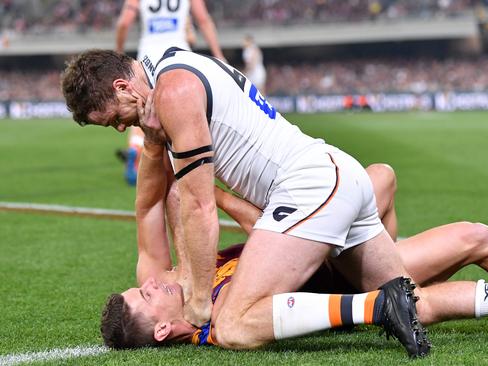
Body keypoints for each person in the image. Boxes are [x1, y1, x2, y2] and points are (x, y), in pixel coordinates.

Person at [61, 48, 430, 357]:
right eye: (146, 294)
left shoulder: (174, 91)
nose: (121, 129)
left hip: (306, 203)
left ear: (122, 86)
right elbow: (164, 203)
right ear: (161, 329)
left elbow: (189, 205)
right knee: (429, 287)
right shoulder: (174, 65)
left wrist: (200, 298)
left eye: (113, 120)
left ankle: (378, 307)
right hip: (313, 203)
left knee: (234, 326)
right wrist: (156, 145)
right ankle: (416, 302)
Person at [100, 156, 488, 350]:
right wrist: (211, 192)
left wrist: (163, 151)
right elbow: (267, 236)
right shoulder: (222, 318)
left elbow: (152, 205)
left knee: (379, 176)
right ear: (166, 329)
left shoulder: (178, 276)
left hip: (340, 255)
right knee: (475, 237)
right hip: (349, 281)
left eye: (141, 283)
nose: (151, 283)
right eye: (146, 296)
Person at [115, 0, 226, 185]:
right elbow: (204, 20)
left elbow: (124, 23)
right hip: (179, 54)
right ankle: (185, 162)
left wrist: (118, 53)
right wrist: (218, 53)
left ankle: (137, 148)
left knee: (143, 107)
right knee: (182, 111)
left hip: (148, 55)